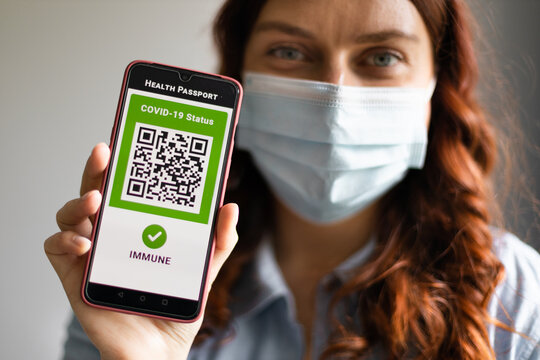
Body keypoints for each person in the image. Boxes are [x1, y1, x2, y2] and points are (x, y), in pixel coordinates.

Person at [45, 0, 540, 359]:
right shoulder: (141, 284)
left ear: (437, 85)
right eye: (288, 51)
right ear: (239, 77)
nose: (334, 98)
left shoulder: (517, 299)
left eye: (383, 56)